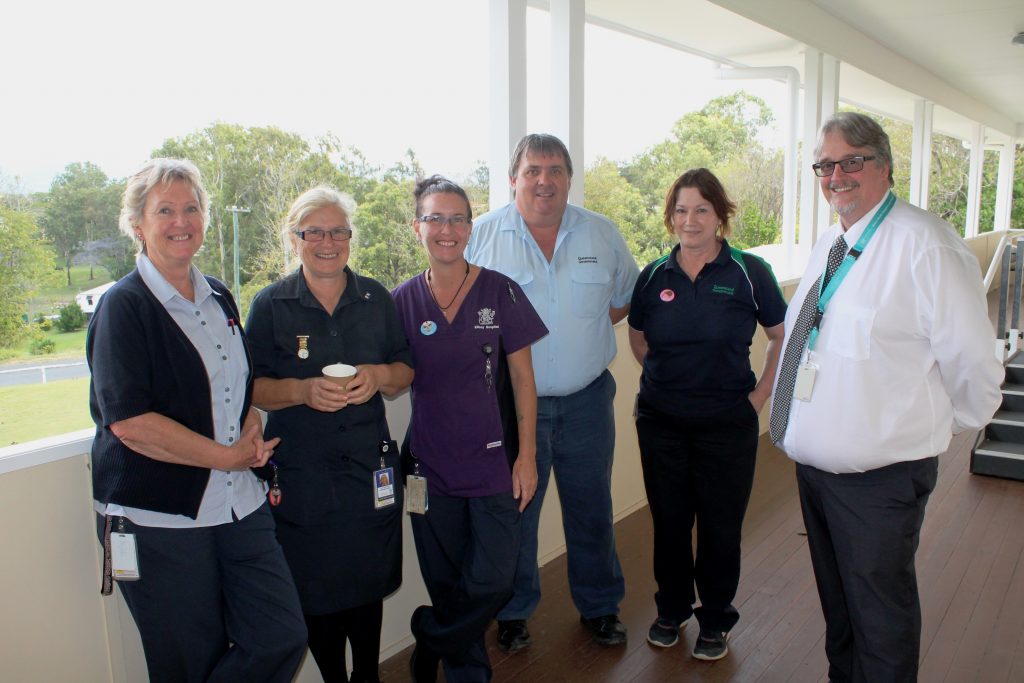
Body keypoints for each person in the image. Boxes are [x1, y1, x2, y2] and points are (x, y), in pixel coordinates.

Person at [769, 112, 1003, 682]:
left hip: (879, 480)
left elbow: (973, 360)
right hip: (816, 472)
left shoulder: (927, 246)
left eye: (853, 161)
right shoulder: (833, 238)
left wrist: (936, 426)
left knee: (881, 617)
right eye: (827, 165)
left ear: (885, 167)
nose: (837, 176)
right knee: (842, 615)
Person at [87, 158, 307, 683]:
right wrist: (226, 456)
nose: (181, 219)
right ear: (137, 225)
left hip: (238, 503)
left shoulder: (218, 297)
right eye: (164, 210)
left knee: (281, 635)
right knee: (189, 658)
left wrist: (251, 425)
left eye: (191, 208)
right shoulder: (124, 308)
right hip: (160, 518)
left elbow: (238, 389)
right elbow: (131, 423)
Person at [465, 133, 641, 650]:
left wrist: (578, 342)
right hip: (514, 407)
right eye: (534, 170)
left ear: (569, 177)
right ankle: (514, 611)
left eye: (556, 170)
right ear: (514, 178)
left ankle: (600, 606)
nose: (545, 180)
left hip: (588, 400)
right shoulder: (483, 237)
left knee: (591, 506)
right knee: (518, 509)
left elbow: (621, 300)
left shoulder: (601, 233)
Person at [245, 186, 414, 683]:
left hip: (369, 470)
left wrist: (379, 378)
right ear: (295, 239)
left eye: (337, 231)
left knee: (365, 583)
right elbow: (251, 387)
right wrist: (301, 392)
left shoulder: (376, 298)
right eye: (314, 231)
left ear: (349, 238)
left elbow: (406, 369)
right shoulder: (271, 305)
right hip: (303, 476)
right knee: (314, 587)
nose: (327, 241)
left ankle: (367, 676)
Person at [393, 175, 547, 682]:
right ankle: (467, 674)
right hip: (429, 469)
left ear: (470, 227)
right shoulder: (401, 302)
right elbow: (389, 374)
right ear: (417, 227)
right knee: (447, 582)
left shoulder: (499, 290)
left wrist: (526, 458)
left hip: (493, 465)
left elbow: (524, 381)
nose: (446, 228)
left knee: (496, 580)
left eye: (457, 218)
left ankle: (430, 636)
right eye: (435, 218)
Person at [628, 168, 786, 660]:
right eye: (680, 209)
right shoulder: (653, 274)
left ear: (720, 214)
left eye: (701, 209)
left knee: (720, 525)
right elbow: (638, 337)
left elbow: (781, 336)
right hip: (661, 423)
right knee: (670, 523)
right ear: (669, 216)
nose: (689, 220)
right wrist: (666, 379)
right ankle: (671, 610)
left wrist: (757, 397)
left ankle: (716, 618)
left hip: (727, 424)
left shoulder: (748, 271)